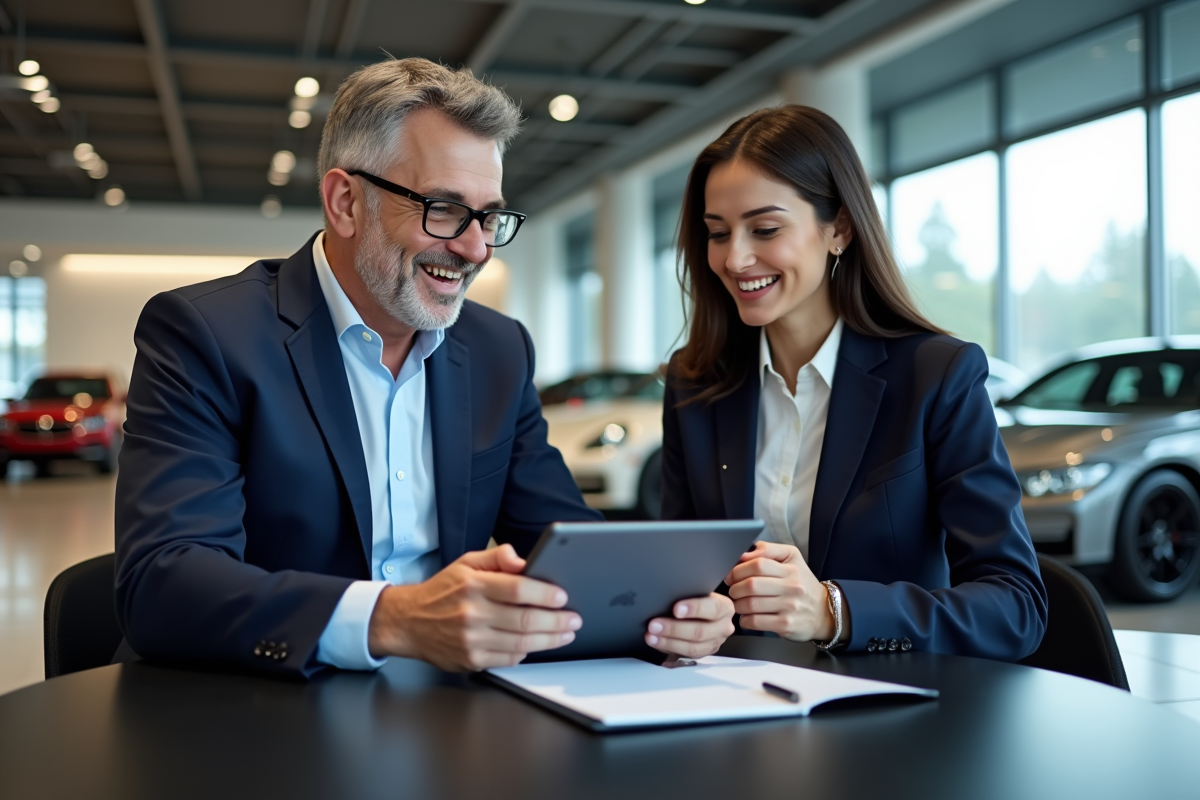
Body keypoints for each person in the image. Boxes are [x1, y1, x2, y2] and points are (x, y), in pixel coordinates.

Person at [114, 58, 734, 678]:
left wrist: (663, 611)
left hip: (448, 716)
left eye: (489, 216)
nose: (475, 248)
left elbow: (560, 542)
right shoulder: (208, 334)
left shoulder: (499, 350)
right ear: (345, 202)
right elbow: (164, 581)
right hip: (255, 708)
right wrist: (395, 619)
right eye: (443, 208)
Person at [661, 105, 1046, 660]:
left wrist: (832, 610)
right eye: (717, 233)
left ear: (838, 228)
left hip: (889, 711)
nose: (735, 258)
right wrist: (684, 614)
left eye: (765, 229)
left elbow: (1017, 606)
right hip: (733, 704)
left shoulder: (936, 376)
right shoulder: (695, 386)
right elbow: (679, 577)